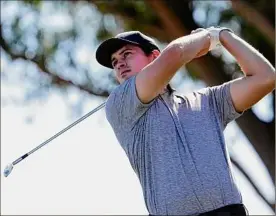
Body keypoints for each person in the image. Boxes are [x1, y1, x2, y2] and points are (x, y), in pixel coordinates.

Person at [95, 27, 275, 216]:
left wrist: (223, 35)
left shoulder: (208, 101)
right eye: (114, 62)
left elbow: (266, 77)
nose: (119, 64)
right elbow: (175, 53)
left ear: (155, 57)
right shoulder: (120, 105)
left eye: (127, 54)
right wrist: (207, 37)